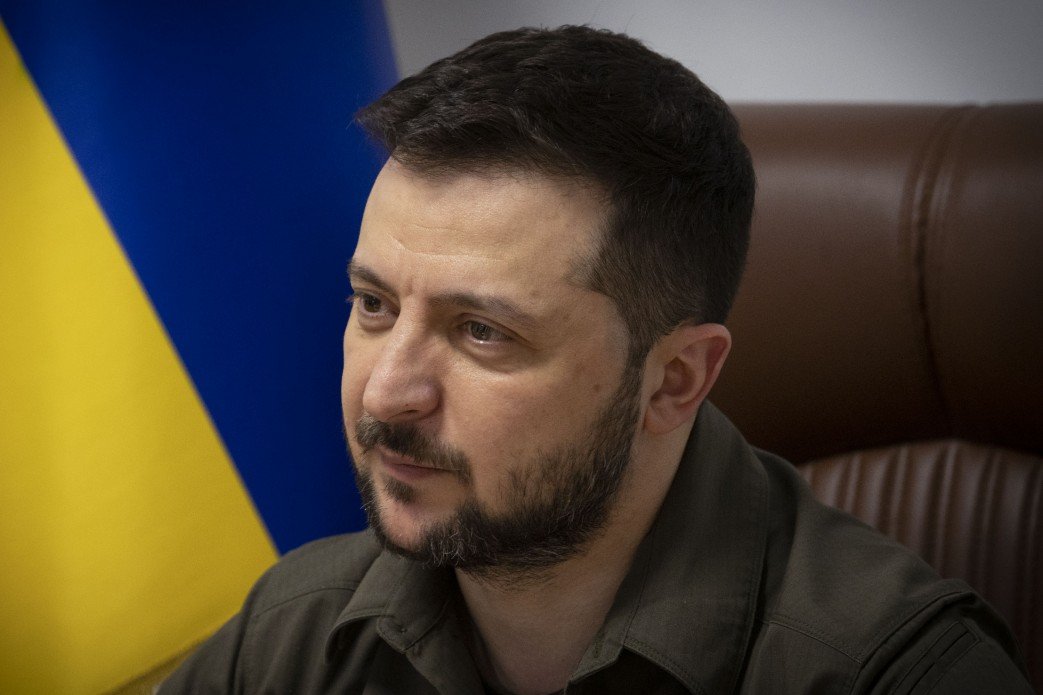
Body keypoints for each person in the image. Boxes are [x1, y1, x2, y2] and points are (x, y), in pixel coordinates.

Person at [160, 25, 1032, 694]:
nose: (386, 393)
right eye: (374, 306)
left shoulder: (897, 672)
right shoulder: (292, 635)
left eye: (481, 332)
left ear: (675, 380)